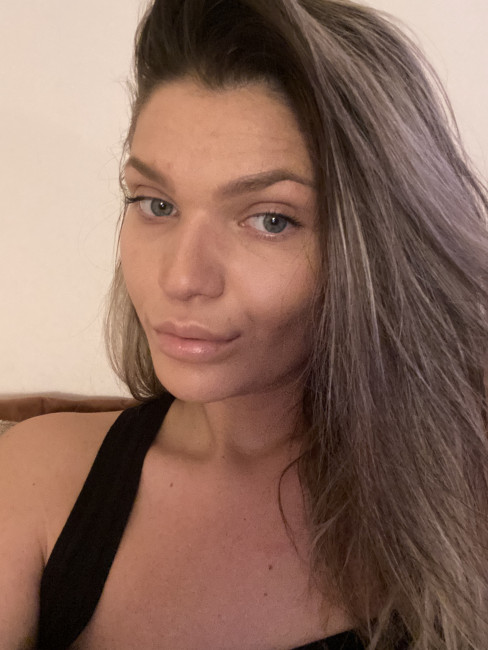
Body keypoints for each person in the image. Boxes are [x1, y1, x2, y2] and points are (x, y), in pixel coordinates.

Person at [1, 0, 487, 648]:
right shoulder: (36, 478)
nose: (182, 278)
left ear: (378, 250)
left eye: (270, 219)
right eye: (157, 204)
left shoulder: (467, 506)